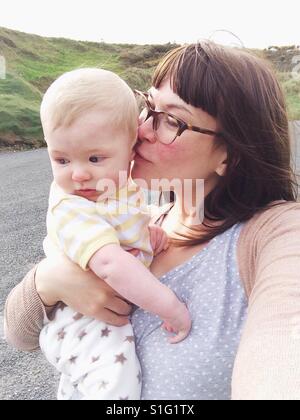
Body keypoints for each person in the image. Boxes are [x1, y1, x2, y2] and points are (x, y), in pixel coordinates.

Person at [4, 41, 300, 400]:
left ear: (229, 154)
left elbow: (285, 341)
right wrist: (47, 281)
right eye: (148, 106)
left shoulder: (274, 235)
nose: (141, 129)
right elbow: (18, 335)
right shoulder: (146, 218)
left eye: (171, 120)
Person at [33, 68, 191, 400]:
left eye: (94, 158)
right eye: (60, 159)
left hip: (98, 313)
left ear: (131, 148)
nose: (78, 174)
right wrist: (169, 307)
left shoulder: (116, 189)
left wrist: (146, 234)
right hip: (79, 319)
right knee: (116, 384)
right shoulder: (72, 206)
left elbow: (121, 224)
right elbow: (110, 264)